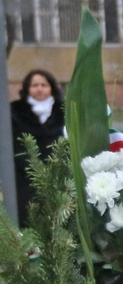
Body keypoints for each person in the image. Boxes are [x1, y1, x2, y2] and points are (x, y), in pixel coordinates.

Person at [10, 69, 64, 227]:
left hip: (58, 174)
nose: (39, 89)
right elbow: (13, 144)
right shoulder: (15, 111)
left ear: (52, 88)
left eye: (44, 85)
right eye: (34, 85)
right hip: (24, 176)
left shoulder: (64, 110)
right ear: (27, 88)